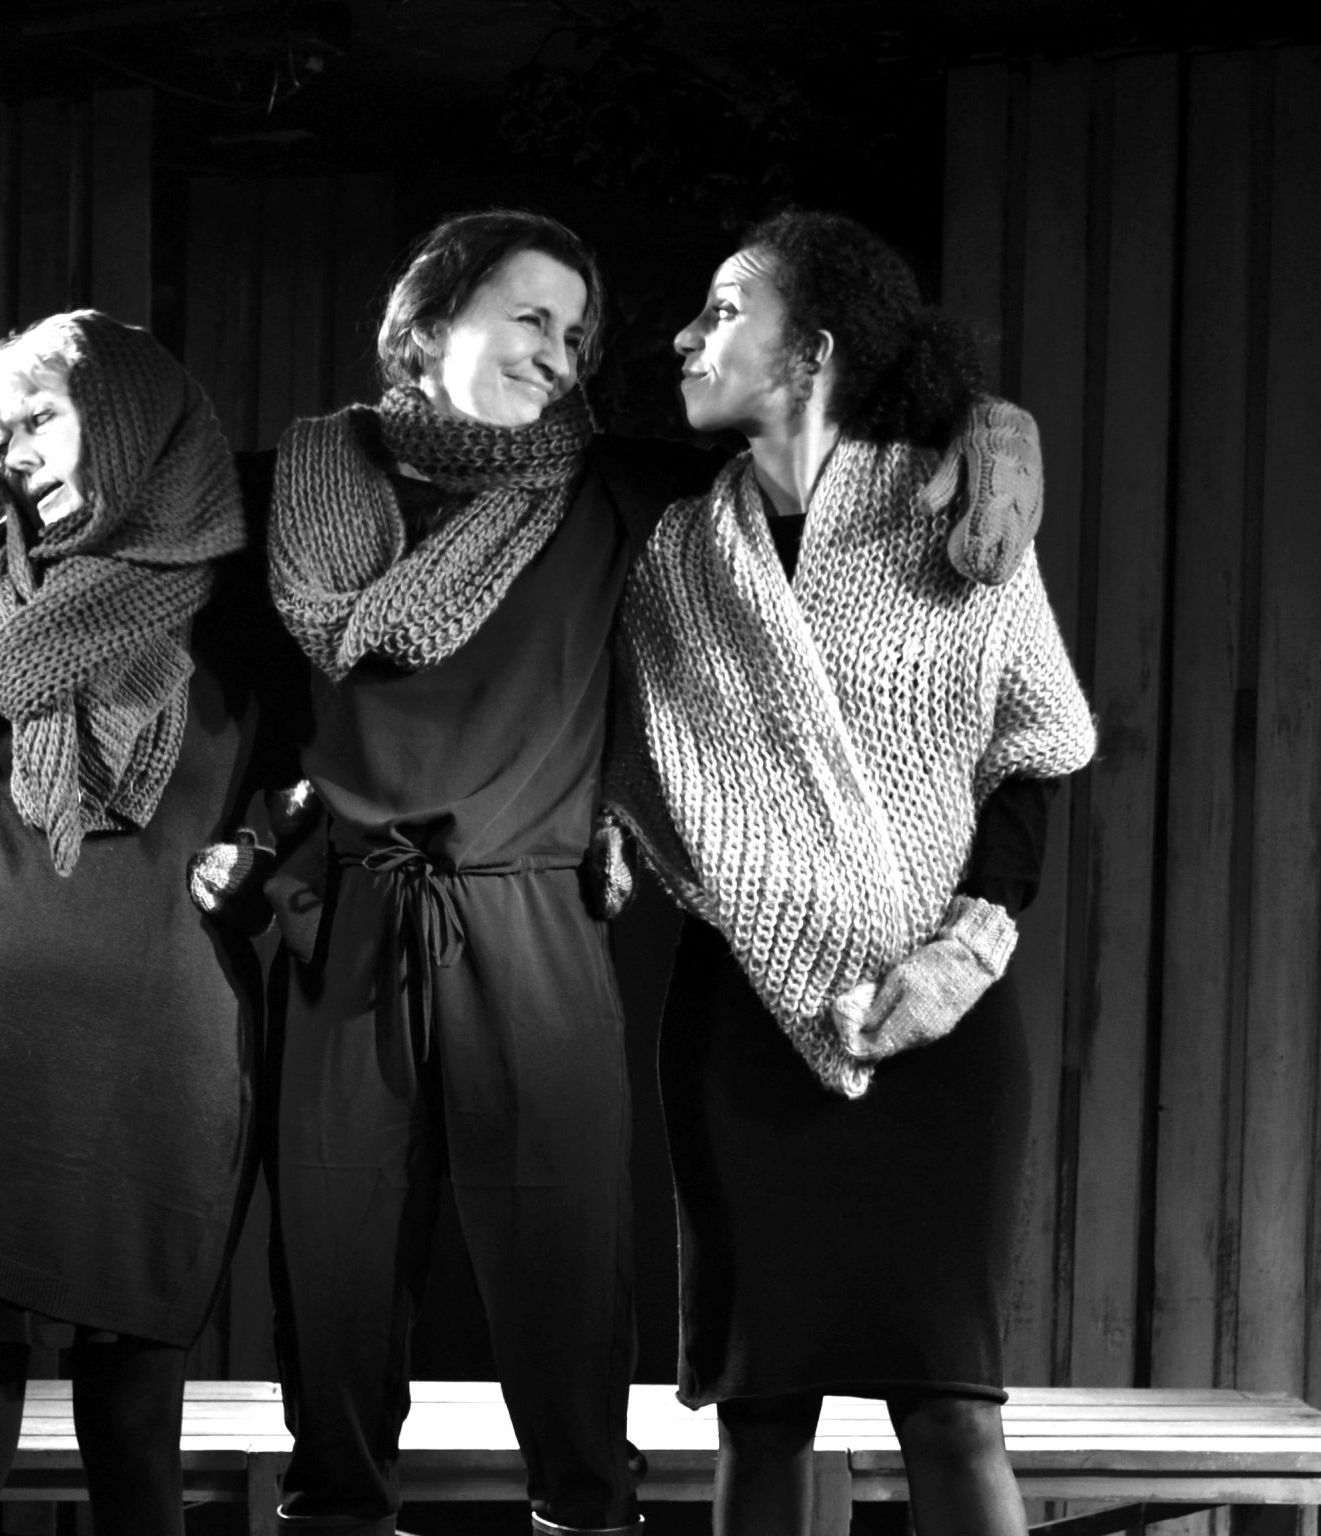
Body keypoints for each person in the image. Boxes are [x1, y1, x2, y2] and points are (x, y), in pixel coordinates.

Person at [611, 209, 1096, 1536]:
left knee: (951, 1409)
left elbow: (1034, 749)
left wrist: (966, 947)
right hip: (741, 1023)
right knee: (759, 1409)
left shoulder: (952, 508)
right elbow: (624, 742)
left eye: (723, 311)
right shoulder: (667, 545)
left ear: (811, 349)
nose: (685, 337)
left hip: (946, 1016)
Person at [258, 208, 721, 1536]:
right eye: (530, 317)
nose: (556, 355)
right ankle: (335, 1519)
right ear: (429, 320)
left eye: (574, 335)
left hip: (532, 912)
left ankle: (587, 1516)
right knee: (334, 1282)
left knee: (568, 1271)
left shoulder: (612, 489)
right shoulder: (308, 479)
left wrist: (995, 436)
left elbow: (822, 465)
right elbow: (136, 502)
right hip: (353, 914)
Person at [0, 310, 296, 1536]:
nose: (9, 456)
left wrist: (263, 848)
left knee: (134, 1442)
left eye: (39, 419)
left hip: (161, 1057)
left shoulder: (248, 601)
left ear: (123, 418)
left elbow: (316, 780)